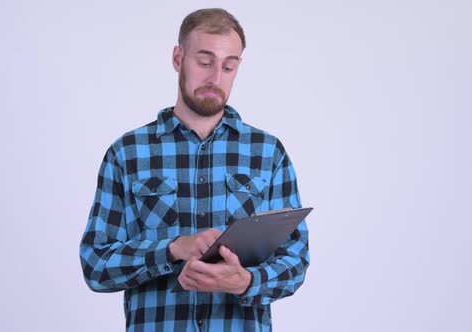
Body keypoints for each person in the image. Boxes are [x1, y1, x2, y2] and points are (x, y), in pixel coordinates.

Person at [79, 8, 309, 331]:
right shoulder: (127, 154)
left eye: (228, 66)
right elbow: (95, 265)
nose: (216, 78)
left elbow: (295, 261)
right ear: (178, 58)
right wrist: (171, 249)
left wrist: (245, 281)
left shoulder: (268, 154)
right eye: (204, 62)